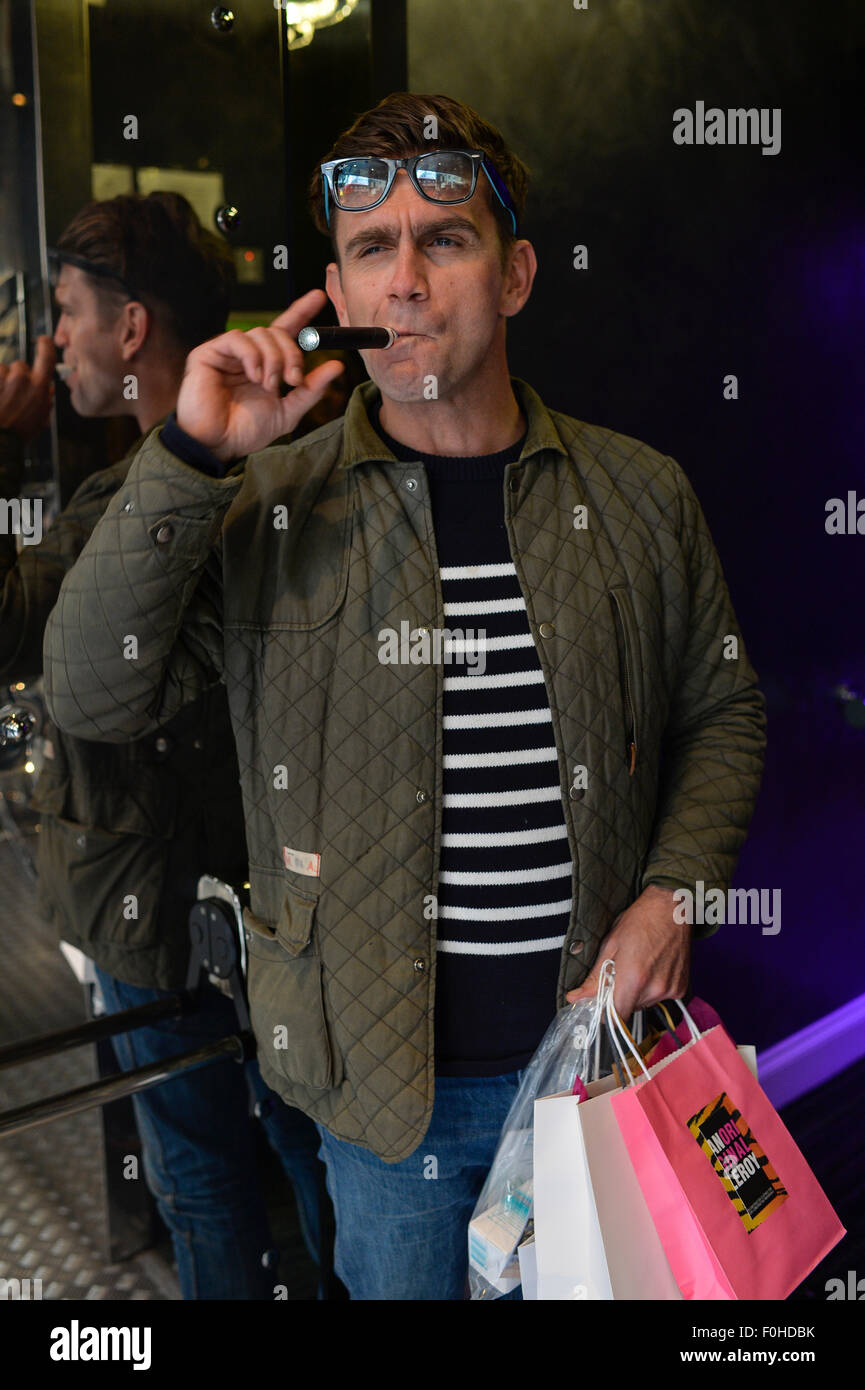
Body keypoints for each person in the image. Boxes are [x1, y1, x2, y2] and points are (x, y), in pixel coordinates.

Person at [42, 95, 767, 1299]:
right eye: (374, 249)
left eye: (447, 238)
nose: (409, 279)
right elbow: (91, 690)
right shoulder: (271, 499)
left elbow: (724, 713)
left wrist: (671, 893)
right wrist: (187, 457)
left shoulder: (640, 495)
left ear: (517, 273)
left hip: (601, 1069)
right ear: (341, 286)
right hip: (384, 1110)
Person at [0, 190, 337, 1299]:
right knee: (308, 1162)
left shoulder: (129, 508)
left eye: (67, 311)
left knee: (202, 1184)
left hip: (158, 915)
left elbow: (17, 620)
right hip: (265, 913)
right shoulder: (285, 474)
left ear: (131, 329)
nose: (53, 341)